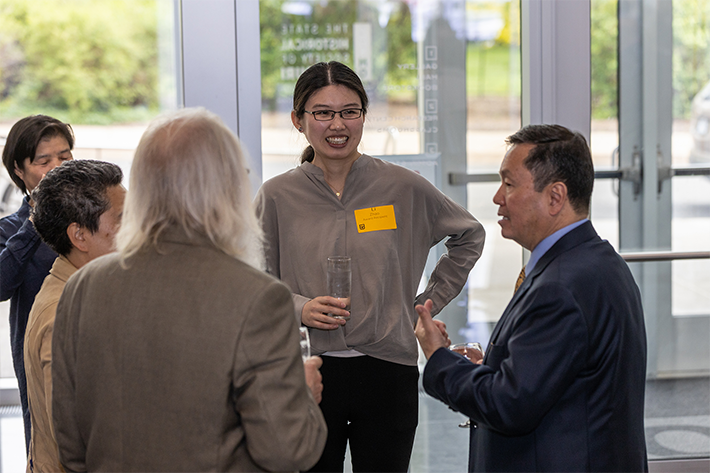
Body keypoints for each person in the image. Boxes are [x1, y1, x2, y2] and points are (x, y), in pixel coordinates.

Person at [51, 107, 327, 473]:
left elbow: (70, 446)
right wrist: (304, 398)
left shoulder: (83, 285)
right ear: (225, 188)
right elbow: (286, 451)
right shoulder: (257, 297)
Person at [255, 61, 485, 473]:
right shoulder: (276, 196)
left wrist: (423, 304)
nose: (337, 124)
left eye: (349, 111)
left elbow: (469, 235)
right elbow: (252, 282)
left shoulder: (402, 186)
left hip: (387, 372)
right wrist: (299, 308)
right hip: (307, 372)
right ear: (298, 120)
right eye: (322, 112)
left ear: (363, 115)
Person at [415, 124, 648, 472]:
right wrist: (490, 367)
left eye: (509, 184)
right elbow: (556, 379)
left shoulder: (560, 287)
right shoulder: (598, 261)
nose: (497, 197)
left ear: (555, 197)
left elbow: (509, 406)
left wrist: (438, 359)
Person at [24, 159, 125, 473]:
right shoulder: (63, 316)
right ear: (79, 236)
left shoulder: (90, 290)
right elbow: (76, 440)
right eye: (124, 220)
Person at [0, 115, 74, 452]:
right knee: (44, 445)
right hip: (38, 356)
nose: (58, 168)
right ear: (19, 170)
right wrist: (36, 218)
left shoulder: (97, 218)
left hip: (96, 346)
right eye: (44, 161)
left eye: (65, 157)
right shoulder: (10, 230)